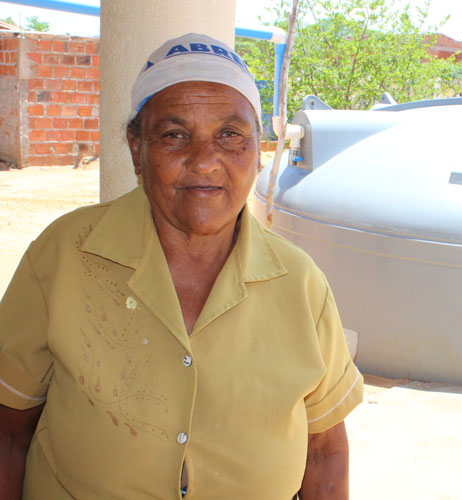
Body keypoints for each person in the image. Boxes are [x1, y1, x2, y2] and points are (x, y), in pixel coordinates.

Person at [0, 33, 363, 499]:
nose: (205, 161)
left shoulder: (300, 283)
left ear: (258, 150)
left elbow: (325, 450)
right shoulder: (65, 255)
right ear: (136, 149)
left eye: (230, 135)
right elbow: (8, 430)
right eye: (175, 135)